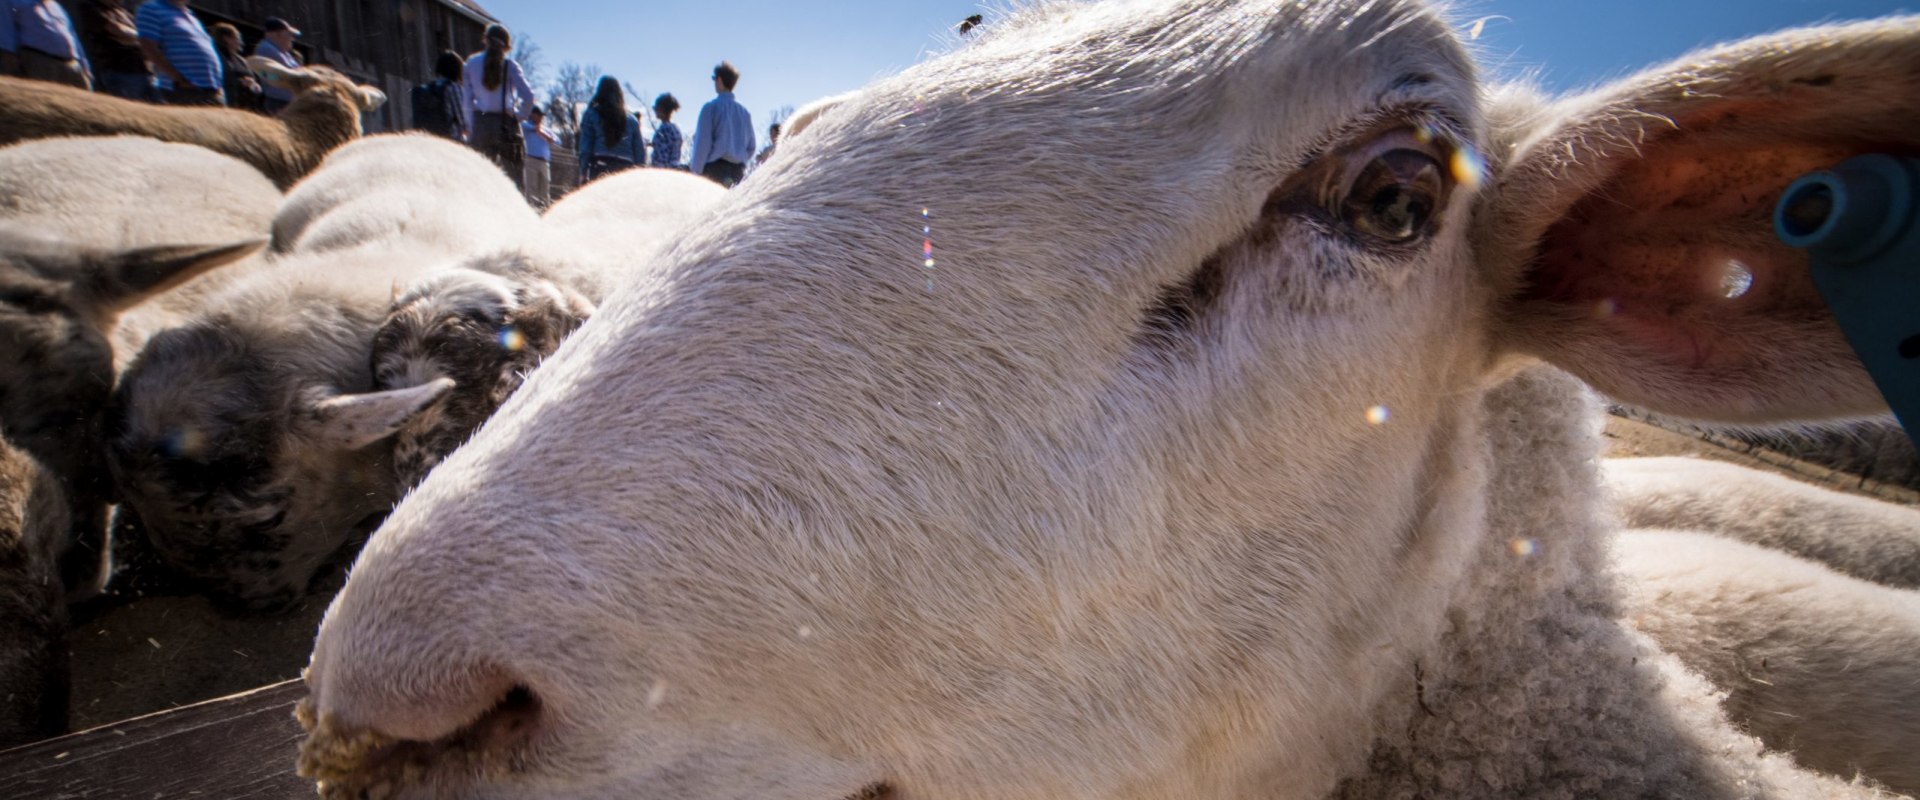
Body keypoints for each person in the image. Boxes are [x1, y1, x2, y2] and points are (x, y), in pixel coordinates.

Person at [463, 23, 534, 188]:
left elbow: (466, 100)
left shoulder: (471, 64)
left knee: (479, 179)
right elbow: (529, 97)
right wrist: (519, 115)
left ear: (485, 40)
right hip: (506, 125)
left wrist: (469, 125)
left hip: (480, 124)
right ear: (507, 46)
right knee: (515, 179)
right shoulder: (511, 66)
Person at [134, 0, 221, 106]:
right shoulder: (152, 8)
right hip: (183, 89)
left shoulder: (191, 16)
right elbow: (148, 47)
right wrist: (178, 79)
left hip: (211, 90)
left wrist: (218, 84)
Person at [689, 60, 754, 188]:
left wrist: (695, 172)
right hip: (738, 172)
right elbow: (751, 147)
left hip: (715, 170)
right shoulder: (744, 113)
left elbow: (703, 144)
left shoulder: (710, 108)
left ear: (719, 80)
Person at [1, 0, 92, 90]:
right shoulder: (11, 2)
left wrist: (85, 68)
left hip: (72, 66)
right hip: (40, 62)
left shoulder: (56, 6)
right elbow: (7, 38)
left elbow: (73, 38)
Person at [75, 0, 153, 101]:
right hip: (122, 72)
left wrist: (136, 38)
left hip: (145, 71)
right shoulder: (91, 7)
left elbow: (143, 36)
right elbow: (118, 30)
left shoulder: (122, 10)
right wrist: (142, 39)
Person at [576, 75, 645, 183]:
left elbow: (586, 147)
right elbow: (639, 152)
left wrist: (583, 173)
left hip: (600, 166)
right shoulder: (632, 120)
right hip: (626, 169)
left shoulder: (591, 114)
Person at [410, 50, 466, 141]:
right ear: (457, 69)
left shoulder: (428, 88)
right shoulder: (454, 87)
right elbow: (463, 120)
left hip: (428, 138)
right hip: (450, 139)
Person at [250, 15, 300, 113]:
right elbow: (265, 74)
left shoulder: (284, 52)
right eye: (289, 34)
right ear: (277, 34)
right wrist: (282, 79)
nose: (292, 38)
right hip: (278, 102)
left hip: (288, 101)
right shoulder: (265, 49)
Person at [209, 22, 262, 113]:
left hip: (246, 106)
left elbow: (255, 79)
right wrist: (240, 82)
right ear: (226, 38)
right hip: (227, 105)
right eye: (237, 38)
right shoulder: (217, 57)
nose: (241, 42)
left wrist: (254, 85)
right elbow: (220, 79)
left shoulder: (241, 60)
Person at [521, 105, 557, 208]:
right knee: (531, 189)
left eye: (541, 116)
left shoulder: (545, 129)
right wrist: (535, 129)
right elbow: (523, 125)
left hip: (545, 162)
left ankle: (544, 211)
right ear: (532, 115)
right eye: (538, 115)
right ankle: (531, 211)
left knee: (545, 190)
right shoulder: (526, 126)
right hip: (531, 160)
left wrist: (543, 133)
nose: (541, 118)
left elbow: (557, 140)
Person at [649, 92, 684, 170]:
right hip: (674, 170)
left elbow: (661, 156)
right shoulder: (676, 129)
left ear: (662, 109)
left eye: (656, 108)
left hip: (662, 172)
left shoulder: (664, 129)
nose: (655, 110)